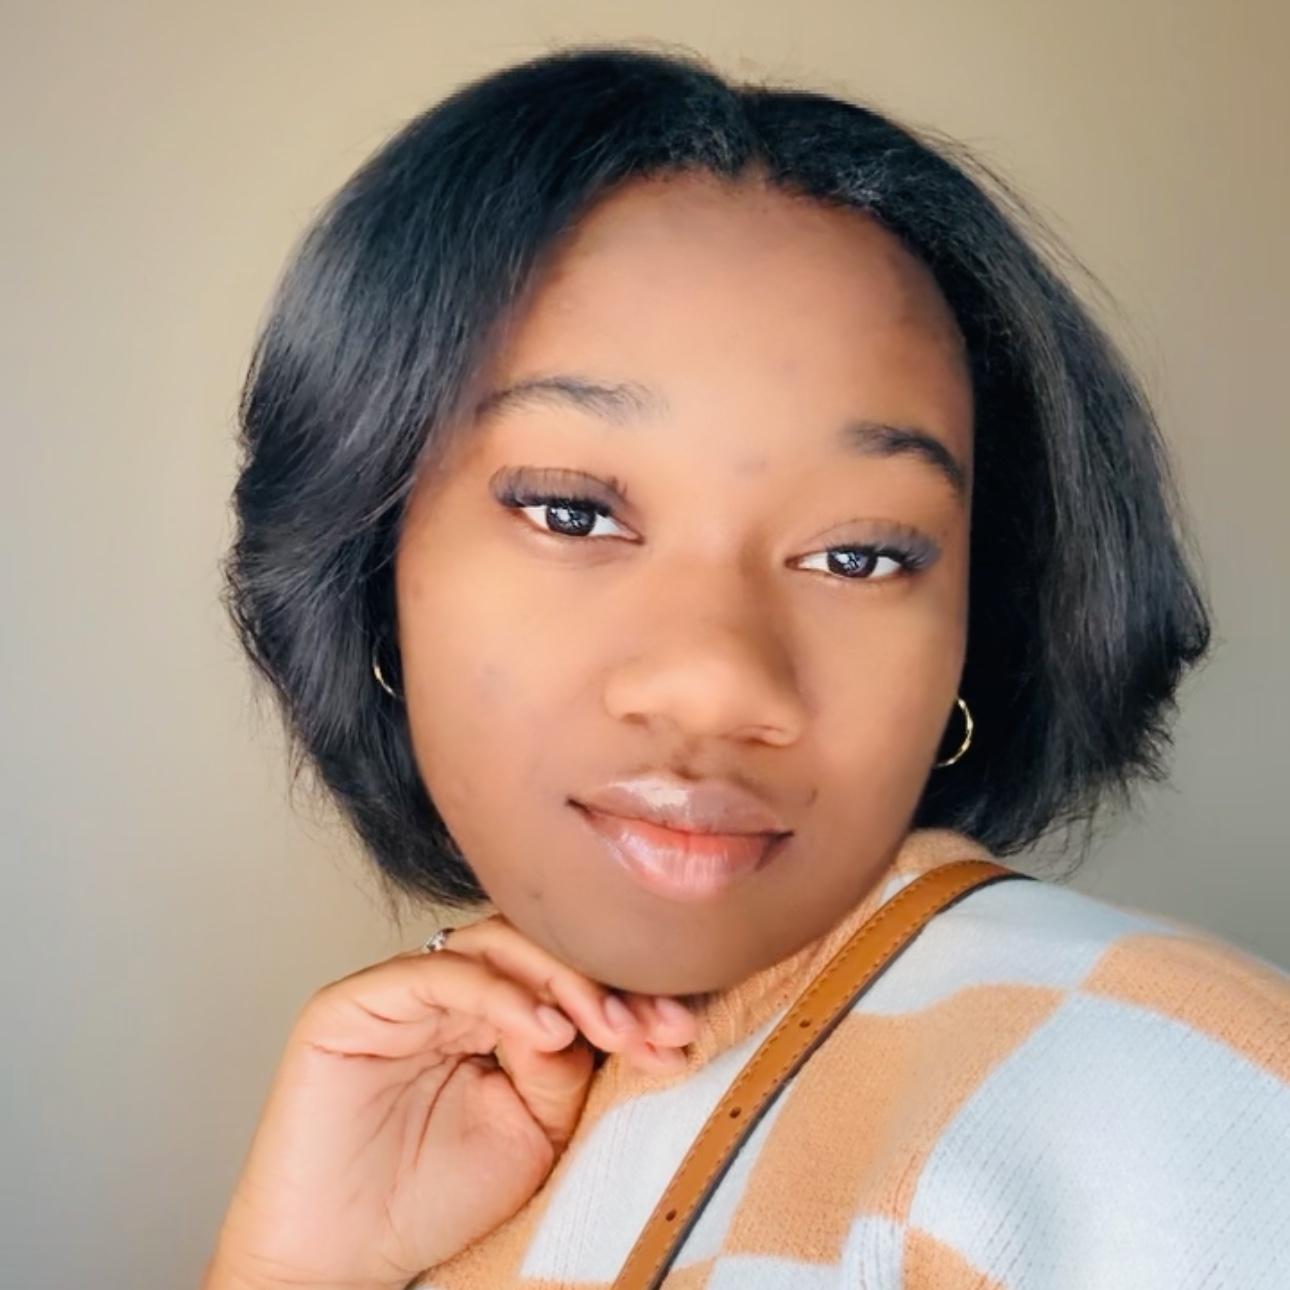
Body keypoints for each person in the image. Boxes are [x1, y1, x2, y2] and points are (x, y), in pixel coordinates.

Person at [203, 42, 1290, 1290]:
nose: (719, 681)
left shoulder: (1171, 1096)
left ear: (975, 626)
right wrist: (297, 1267)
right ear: (371, 567)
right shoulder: (433, 1133)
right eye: (573, 513)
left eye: (860, 556)